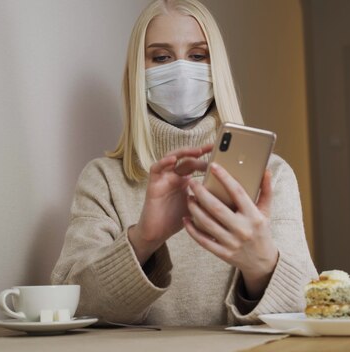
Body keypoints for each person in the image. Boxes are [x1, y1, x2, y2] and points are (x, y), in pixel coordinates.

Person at [51, 0, 317, 326]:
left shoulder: (271, 176)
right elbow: (67, 301)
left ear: (215, 66)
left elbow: (310, 311)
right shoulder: (103, 179)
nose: (181, 70)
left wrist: (261, 264)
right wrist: (143, 239)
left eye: (197, 55)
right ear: (138, 72)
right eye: (161, 57)